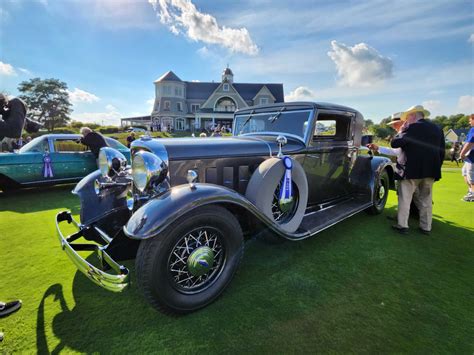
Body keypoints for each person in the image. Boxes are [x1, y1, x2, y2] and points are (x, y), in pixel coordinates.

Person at [390, 105, 445, 235]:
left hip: (410, 170)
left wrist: (401, 131)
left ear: (413, 116)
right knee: (426, 200)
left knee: (405, 198)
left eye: (407, 117)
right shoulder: (438, 129)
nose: (406, 120)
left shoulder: (411, 127)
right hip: (431, 170)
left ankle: (402, 225)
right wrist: (436, 167)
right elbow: (442, 152)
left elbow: (395, 143)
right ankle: (426, 227)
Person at [459, 114, 474, 202]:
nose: (469, 122)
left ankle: (473, 194)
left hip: (471, 157)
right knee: (464, 172)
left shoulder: (473, 129)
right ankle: (471, 191)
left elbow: (470, 143)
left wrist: (462, 153)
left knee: (471, 176)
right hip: (469, 157)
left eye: (470, 120)